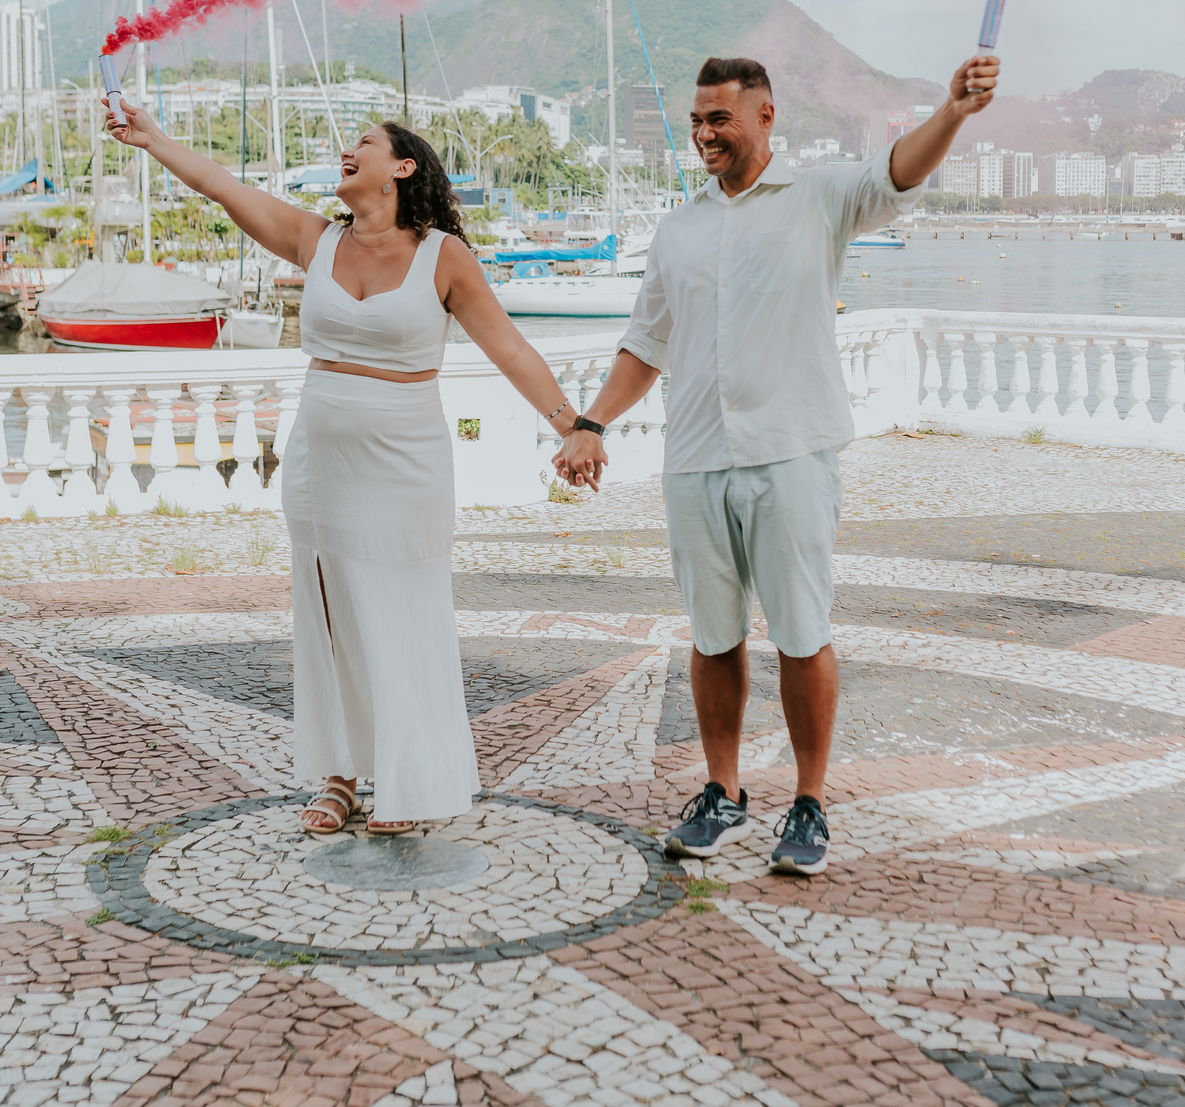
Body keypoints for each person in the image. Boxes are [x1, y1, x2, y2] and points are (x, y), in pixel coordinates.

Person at [554, 50, 999, 875]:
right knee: (713, 636)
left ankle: (809, 801)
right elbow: (646, 342)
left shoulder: (820, 196)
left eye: (718, 117)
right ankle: (722, 792)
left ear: (764, 116)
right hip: (693, 458)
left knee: (802, 632)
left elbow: (900, 168)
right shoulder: (680, 227)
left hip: (790, 451)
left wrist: (953, 111)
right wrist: (591, 422)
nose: (703, 133)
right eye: (695, 119)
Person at [103, 98, 586, 836]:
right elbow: (222, 186)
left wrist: (573, 426)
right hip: (321, 463)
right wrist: (154, 139)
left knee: (403, 611)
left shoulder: (442, 255)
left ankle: (407, 776)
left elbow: (510, 348)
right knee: (331, 618)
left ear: (402, 167)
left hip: (406, 464)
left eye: (363, 142)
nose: (346, 151)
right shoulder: (315, 239)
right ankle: (339, 775)